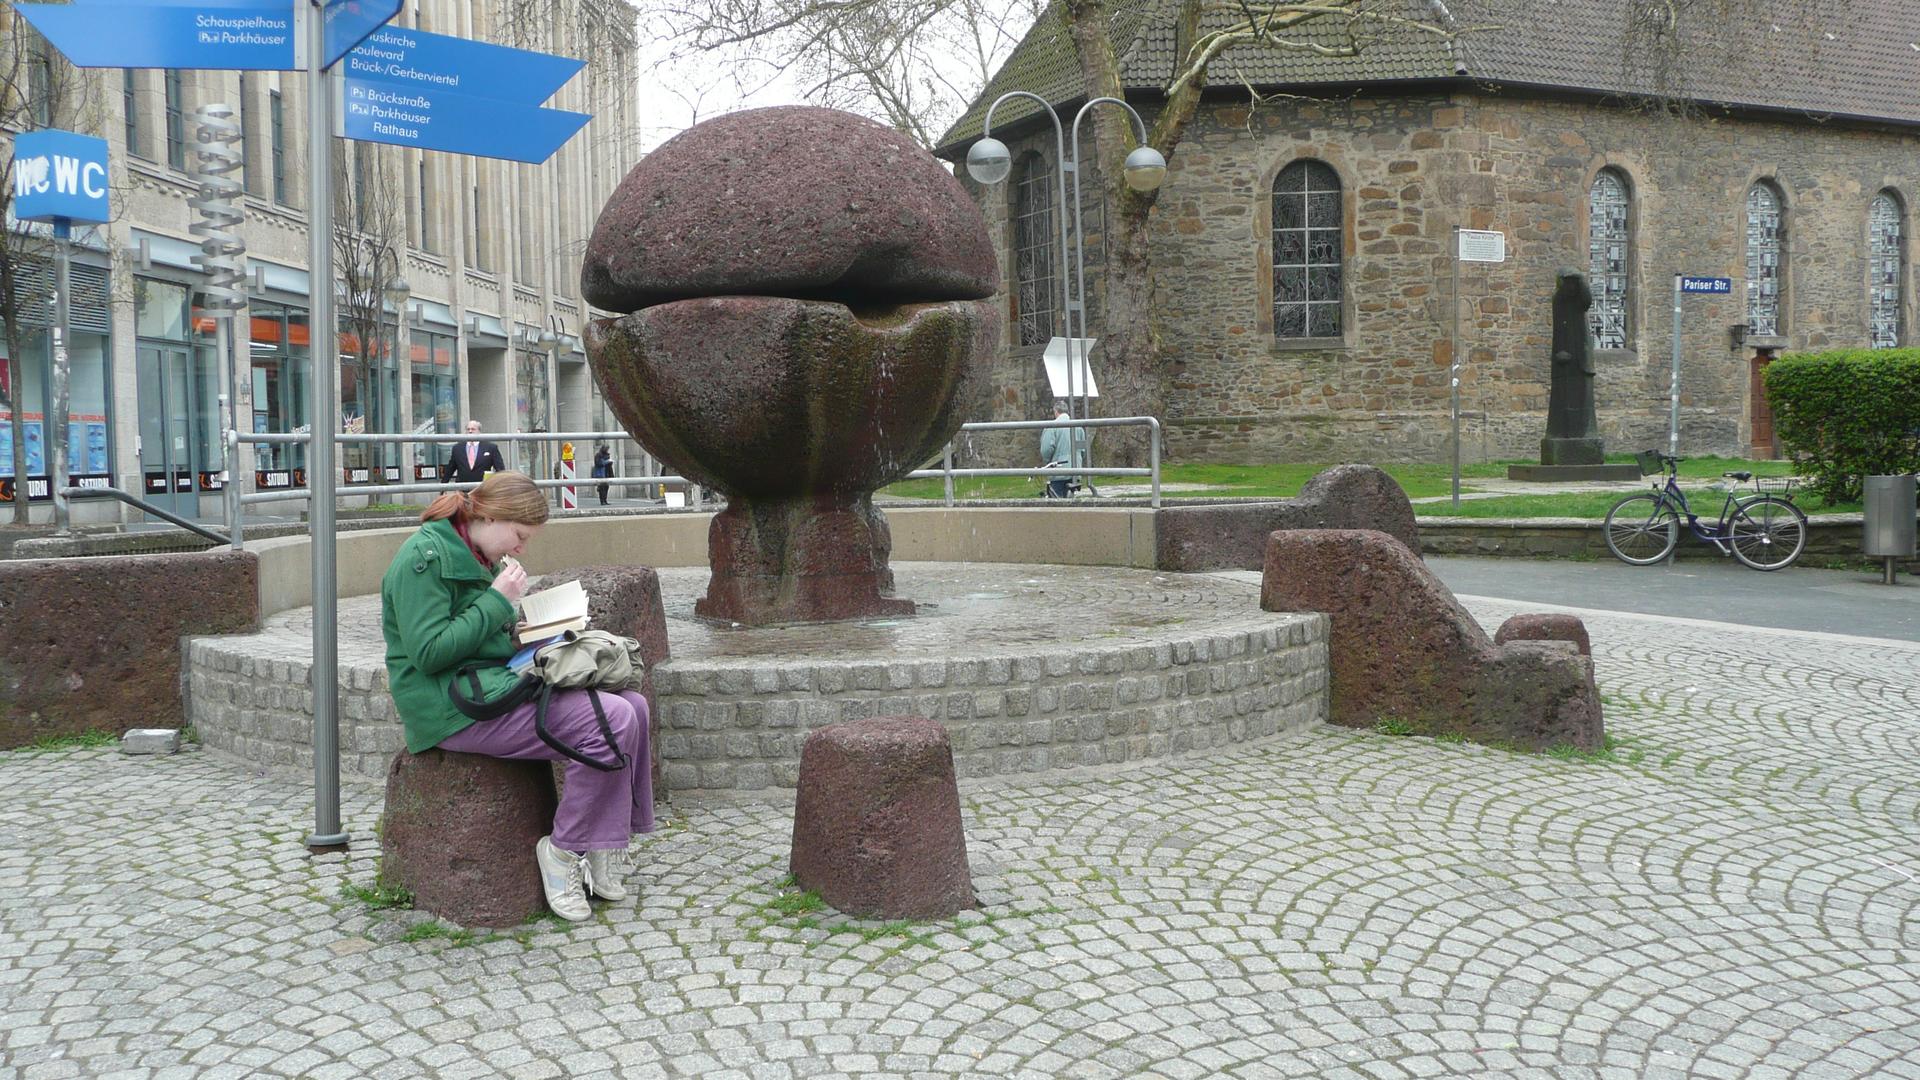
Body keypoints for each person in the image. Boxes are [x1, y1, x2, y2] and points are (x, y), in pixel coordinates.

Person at [380, 471, 654, 921]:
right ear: (490, 517)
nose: (521, 549)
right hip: (450, 706)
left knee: (634, 706)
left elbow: (476, 633)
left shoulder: (476, 551)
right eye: (520, 536)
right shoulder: (423, 559)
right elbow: (429, 653)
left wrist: (527, 632)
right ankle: (563, 851)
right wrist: (496, 600)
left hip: (490, 683)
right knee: (612, 718)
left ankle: (604, 842)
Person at [1038, 401, 1088, 498]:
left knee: (1057, 500)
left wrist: (1047, 461)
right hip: (1076, 469)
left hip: (1059, 470)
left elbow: (1046, 450)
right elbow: (1083, 450)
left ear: (1056, 412)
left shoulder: (1052, 427)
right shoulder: (1078, 427)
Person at [440, 420, 506, 484]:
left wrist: (502, 486)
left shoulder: (491, 447)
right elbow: (451, 468)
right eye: (468, 429)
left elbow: (500, 469)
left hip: (482, 487)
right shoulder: (457, 448)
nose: (470, 431)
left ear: (479, 431)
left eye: (473, 429)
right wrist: (443, 486)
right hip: (462, 487)